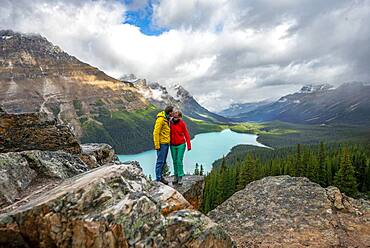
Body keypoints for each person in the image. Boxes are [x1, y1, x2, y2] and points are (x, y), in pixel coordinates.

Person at [153, 106, 174, 184]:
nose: (173, 113)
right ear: (170, 112)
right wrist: (157, 145)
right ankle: (158, 179)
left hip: (166, 143)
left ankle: (161, 177)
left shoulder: (166, 119)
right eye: (172, 112)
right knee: (160, 161)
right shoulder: (161, 119)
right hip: (161, 144)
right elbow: (156, 132)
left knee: (163, 161)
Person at [170, 111, 191, 185]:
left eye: (177, 117)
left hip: (181, 144)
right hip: (172, 145)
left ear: (180, 117)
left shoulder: (182, 123)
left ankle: (180, 177)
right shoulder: (170, 123)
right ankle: (175, 176)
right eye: (174, 117)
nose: (175, 118)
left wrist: (189, 145)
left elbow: (186, 134)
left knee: (179, 160)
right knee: (174, 161)